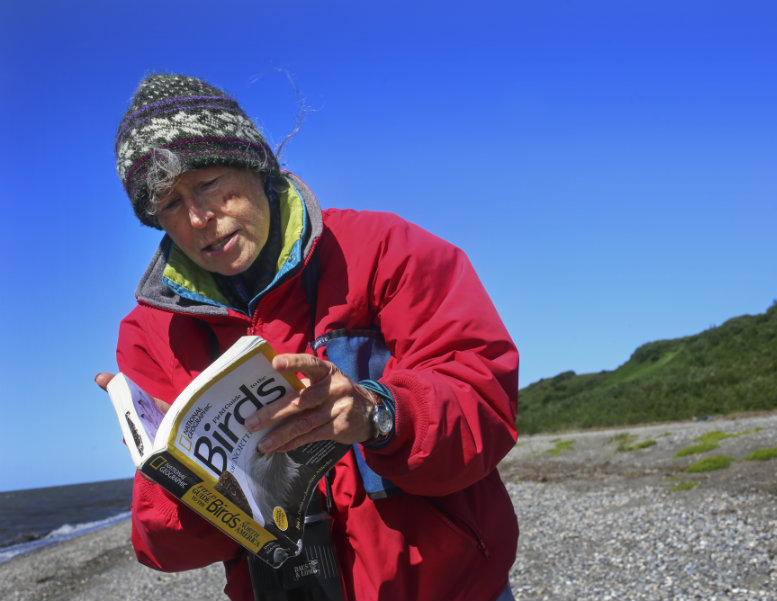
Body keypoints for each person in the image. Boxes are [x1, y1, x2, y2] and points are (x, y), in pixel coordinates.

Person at [95, 73, 519, 601]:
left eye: (206, 183)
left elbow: (487, 402)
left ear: (256, 165)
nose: (200, 218)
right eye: (171, 205)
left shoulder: (384, 249)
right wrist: (174, 482)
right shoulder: (150, 332)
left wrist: (378, 414)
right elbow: (165, 551)